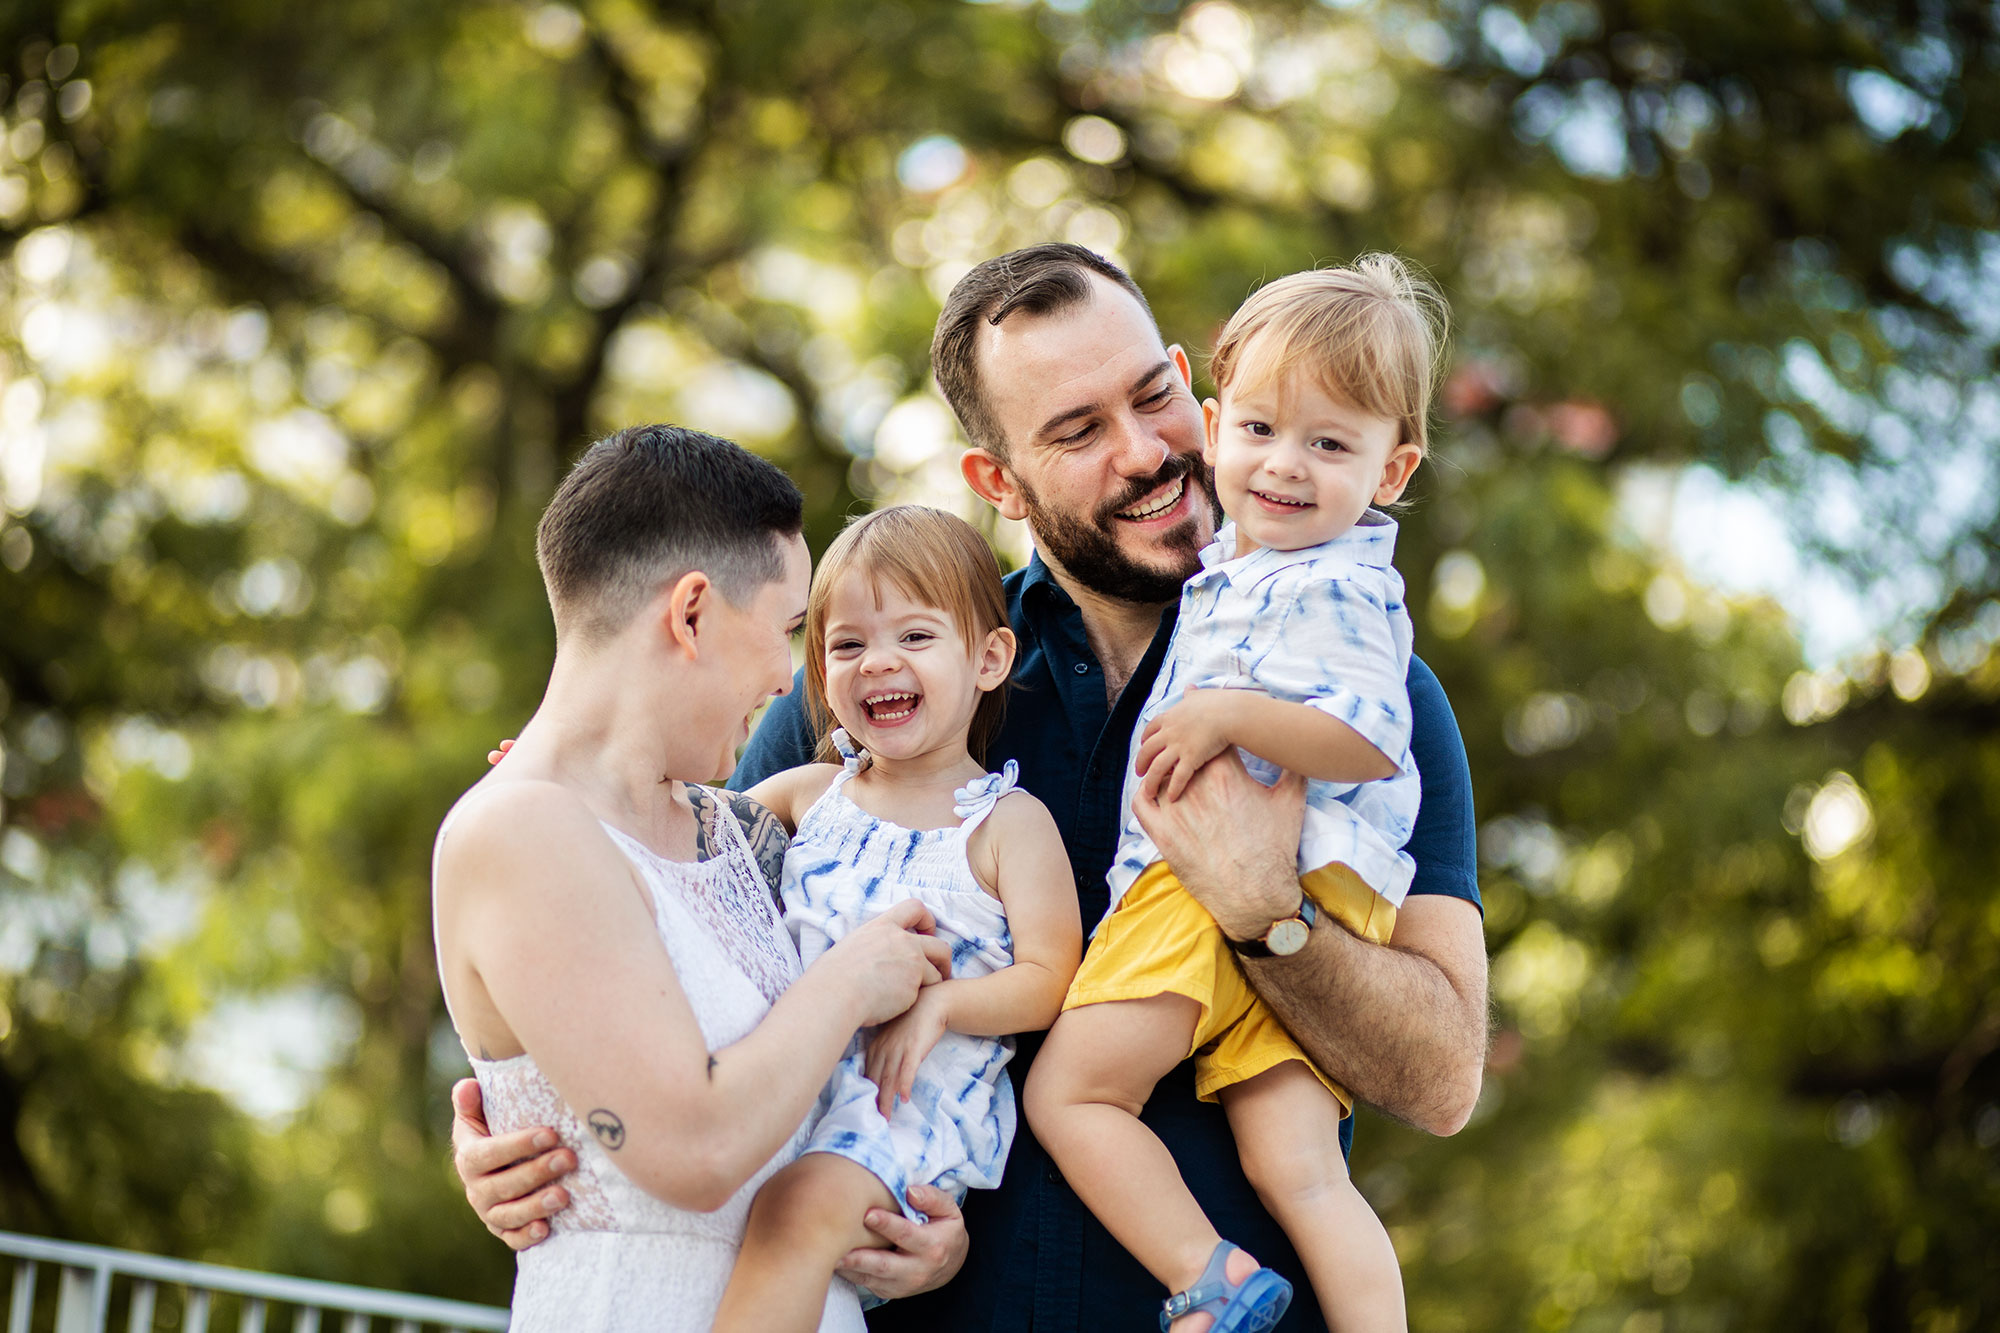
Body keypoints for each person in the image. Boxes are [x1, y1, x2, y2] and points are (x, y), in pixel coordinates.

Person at [451, 245, 1488, 1330]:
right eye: (1078, 432)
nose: (1143, 451)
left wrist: (1268, 919)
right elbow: (678, 946)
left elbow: (1440, 1081)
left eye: (1153, 396)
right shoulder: (886, 681)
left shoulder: (1361, 687)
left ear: (1193, 382)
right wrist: (542, 1119)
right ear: (997, 482)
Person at [430, 425, 954, 1332]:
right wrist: (849, 980)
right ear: (692, 613)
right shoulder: (516, 828)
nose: (794, 679)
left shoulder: (740, 832)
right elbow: (694, 1150)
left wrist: (910, 1227)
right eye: (790, 629)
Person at [1026, 257, 1444, 1332]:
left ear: (1391, 467)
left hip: (1202, 889)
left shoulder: (1335, 584)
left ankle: (1206, 1275)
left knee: (1072, 1094)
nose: (1283, 466)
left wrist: (1222, 721)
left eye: (1329, 443)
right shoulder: (1239, 573)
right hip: (1298, 888)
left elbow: (1361, 738)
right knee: (1298, 1172)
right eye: (1259, 430)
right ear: (1220, 423)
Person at [711, 505, 1082, 1332]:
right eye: (847, 645)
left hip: (904, 1105)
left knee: (796, 1215)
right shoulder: (807, 796)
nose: (878, 661)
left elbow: (1051, 978)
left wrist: (944, 1002)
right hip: (785, 1088)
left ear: (988, 658)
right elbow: (683, 847)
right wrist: (577, 781)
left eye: (914, 637)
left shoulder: (1006, 826)